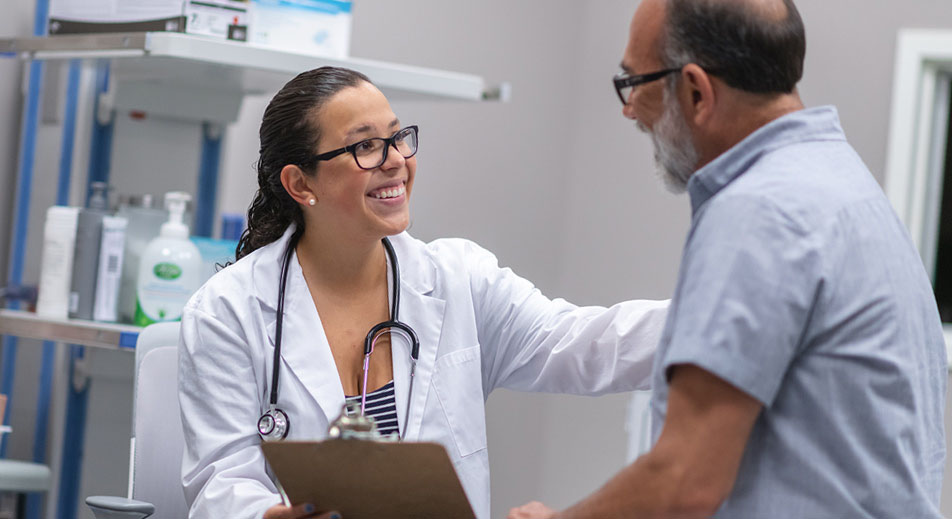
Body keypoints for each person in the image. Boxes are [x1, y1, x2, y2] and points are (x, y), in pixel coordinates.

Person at [509, 0, 947, 518]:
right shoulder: (846, 185)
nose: (629, 110)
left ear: (696, 90)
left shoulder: (758, 211)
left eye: (635, 83)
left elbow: (686, 483)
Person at [177, 66, 669, 519]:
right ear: (301, 183)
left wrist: (723, 313)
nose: (395, 162)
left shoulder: (459, 279)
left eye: (398, 138)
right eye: (365, 147)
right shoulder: (228, 311)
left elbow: (584, 343)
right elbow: (220, 483)